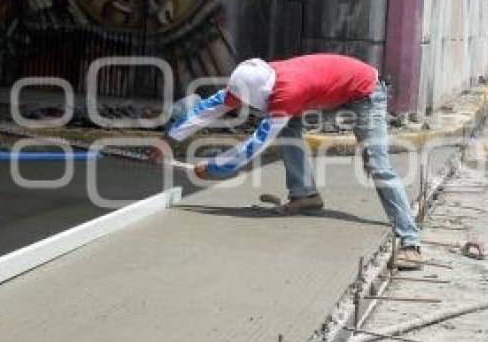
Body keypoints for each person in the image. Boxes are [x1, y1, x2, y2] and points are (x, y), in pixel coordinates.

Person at [166, 54, 424, 270]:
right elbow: (212, 106)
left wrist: (214, 168)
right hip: (329, 90)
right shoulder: (251, 80)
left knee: (378, 165)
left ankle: (410, 241)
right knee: (288, 127)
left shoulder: (286, 92)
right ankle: (305, 195)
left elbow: (256, 144)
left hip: (365, 91)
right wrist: (170, 139)